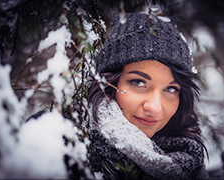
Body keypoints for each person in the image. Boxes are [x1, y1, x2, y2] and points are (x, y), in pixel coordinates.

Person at [86, 11, 208, 180]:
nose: (154, 107)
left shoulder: (188, 156)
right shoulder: (56, 144)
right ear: (106, 83)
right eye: (138, 82)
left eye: (171, 89)